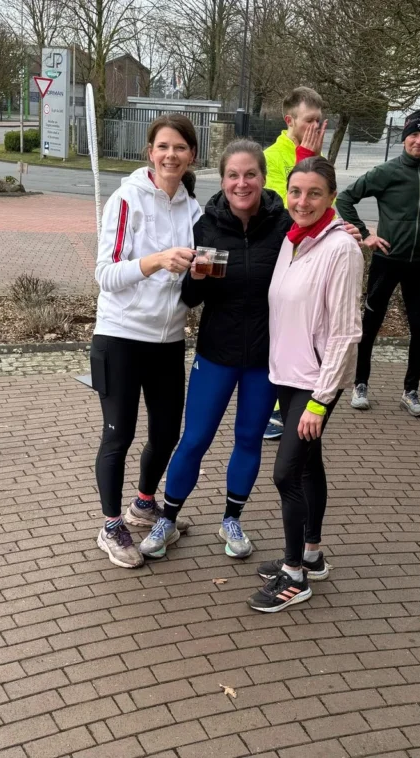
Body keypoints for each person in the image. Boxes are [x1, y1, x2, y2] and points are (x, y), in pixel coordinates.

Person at [138, 140, 285, 561]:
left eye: (250, 174)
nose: (242, 183)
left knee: (248, 439)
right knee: (195, 438)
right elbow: (191, 298)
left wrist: (347, 231)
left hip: (263, 357)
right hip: (216, 354)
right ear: (222, 181)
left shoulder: (284, 225)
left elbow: (317, 245)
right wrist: (196, 275)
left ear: (262, 177)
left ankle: (231, 519)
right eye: (233, 175)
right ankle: (168, 518)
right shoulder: (206, 225)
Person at [248, 157, 364, 612]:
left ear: (332, 197)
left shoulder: (341, 249)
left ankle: (295, 576)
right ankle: (311, 555)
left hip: (314, 381)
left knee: (286, 472)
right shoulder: (293, 240)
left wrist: (320, 400)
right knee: (309, 466)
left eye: (315, 193)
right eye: (296, 192)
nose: (303, 201)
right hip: (286, 374)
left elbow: (345, 331)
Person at [90, 114, 201, 569]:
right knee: (119, 435)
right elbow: (105, 274)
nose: (171, 155)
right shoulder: (125, 200)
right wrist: (155, 261)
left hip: (169, 339)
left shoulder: (194, 210)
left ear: (192, 154)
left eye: (180, 147)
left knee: (166, 433)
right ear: (150, 153)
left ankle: (143, 504)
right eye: (163, 147)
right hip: (120, 335)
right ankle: (111, 523)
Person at [336, 110, 420, 417]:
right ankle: (360, 384)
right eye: (413, 136)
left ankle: (411, 391)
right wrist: (365, 235)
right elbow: (345, 199)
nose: (419, 141)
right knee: (371, 325)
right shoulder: (387, 171)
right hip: (387, 260)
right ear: (404, 138)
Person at [261, 87, 328, 440]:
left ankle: (298, 395)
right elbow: (281, 211)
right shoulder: (272, 157)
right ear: (290, 121)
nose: (317, 126)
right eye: (309, 120)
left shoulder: (317, 155)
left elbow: (326, 201)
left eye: (320, 120)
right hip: (281, 258)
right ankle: (275, 404)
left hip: (311, 260)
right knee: (281, 327)